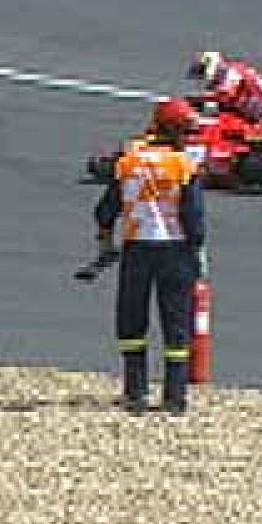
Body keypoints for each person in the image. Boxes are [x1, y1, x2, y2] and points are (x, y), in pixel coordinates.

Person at [88, 96, 207, 415]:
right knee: (176, 324)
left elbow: (105, 209)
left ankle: (135, 392)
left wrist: (104, 239)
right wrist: (197, 251)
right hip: (176, 250)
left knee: (131, 321)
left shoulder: (129, 160)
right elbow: (193, 217)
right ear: (175, 131)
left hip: (137, 248)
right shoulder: (184, 165)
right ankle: (175, 397)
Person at [187, 50, 262, 125]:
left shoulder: (233, 73)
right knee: (219, 113)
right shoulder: (223, 77)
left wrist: (197, 101)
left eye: (201, 72)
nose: (201, 78)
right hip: (256, 115)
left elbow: (226, 94)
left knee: (222, 120)